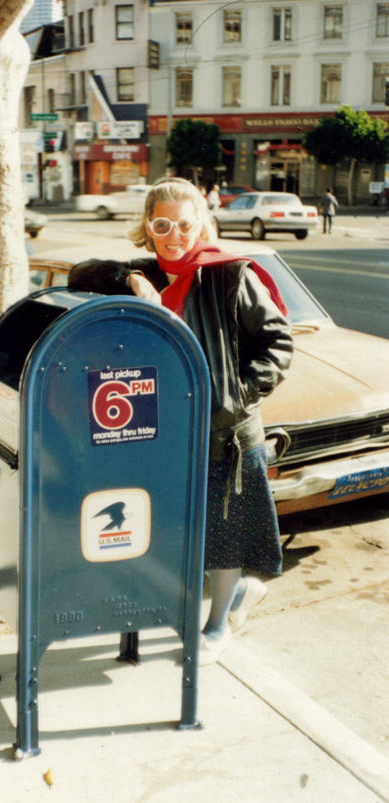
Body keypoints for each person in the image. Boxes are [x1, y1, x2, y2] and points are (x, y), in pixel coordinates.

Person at [68, 177, 293, 665]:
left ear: (202, 225)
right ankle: (240, 595)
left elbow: (277, 342)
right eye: (162, 224)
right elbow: (78, 275)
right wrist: (131, 279)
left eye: (184, 225)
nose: (174, 235)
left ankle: (217, 627)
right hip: (166, 432)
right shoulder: (148, 270)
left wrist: (235, 396)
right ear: (148, 228)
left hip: (224, 430)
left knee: (224, 531)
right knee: (183, 528)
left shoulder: (228, 274)